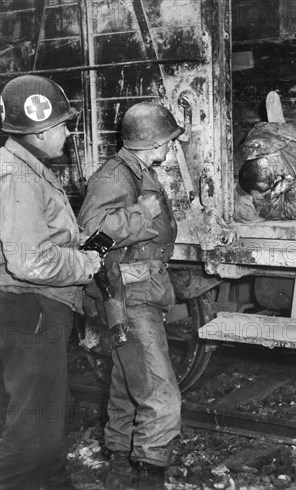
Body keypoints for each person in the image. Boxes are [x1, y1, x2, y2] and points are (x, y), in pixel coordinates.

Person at [0, 75, 101, 488]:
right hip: (32, 307)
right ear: (39, 132)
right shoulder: (18, 178)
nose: (68, 131)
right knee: (32, 436)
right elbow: (31, 262)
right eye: (62, 124)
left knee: (46, 414)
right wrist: (87, 262)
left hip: (35, 308)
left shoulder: (29, 168)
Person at [78, 102, 184, 488]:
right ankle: (148, 473)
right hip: (128, 294)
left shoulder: (137, 171)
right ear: (154, 142)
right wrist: (142, 212)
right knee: (160, 392)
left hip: (142, 290)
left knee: (127, 381)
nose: (171, 148)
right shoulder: (115, 176)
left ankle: (120, 464)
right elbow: (92, 238)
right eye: (169, 141)